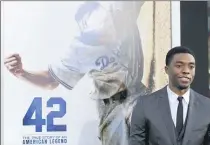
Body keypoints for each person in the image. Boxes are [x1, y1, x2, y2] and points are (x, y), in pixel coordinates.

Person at [4, 1, 147, 145]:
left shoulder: (122, 8)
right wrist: (22, 73)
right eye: (90, 29)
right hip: (113, 110)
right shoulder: (81, 49)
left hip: (137, 93)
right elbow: (50, 80)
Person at [129, 46, 210, 145]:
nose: (186, 71)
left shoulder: (209, 107)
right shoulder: (145, 104)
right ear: (167, 69)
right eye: (179, 66)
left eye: (191, 67)